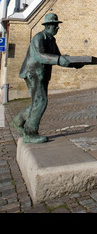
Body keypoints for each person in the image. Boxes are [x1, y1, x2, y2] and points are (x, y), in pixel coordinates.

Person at [11, 13, 71, 143]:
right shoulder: (39, 38)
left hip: (41, 74)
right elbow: (40, 56)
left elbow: (57, 57)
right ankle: (30, 133)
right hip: (33, 73)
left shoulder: (51, 40)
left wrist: (74, 64)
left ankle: (17, 122)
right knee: (41, 101)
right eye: (55, 25)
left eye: (57, 25)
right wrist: (60, 59)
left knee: (37, 101)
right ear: (48, 26)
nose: (57, 28)